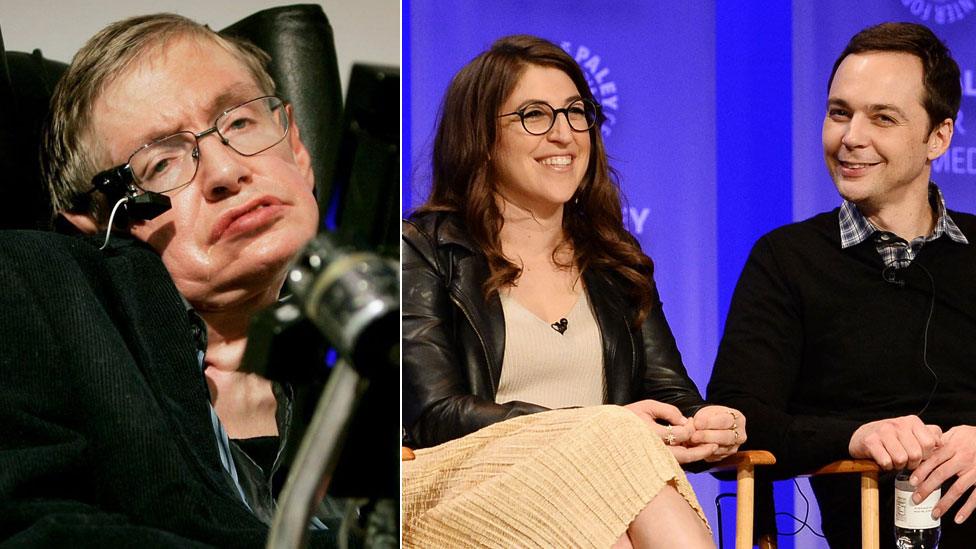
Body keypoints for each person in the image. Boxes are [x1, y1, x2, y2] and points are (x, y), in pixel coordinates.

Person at [0, 13, 346, 547]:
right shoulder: (34, 286)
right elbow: (28, 527)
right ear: (99, 220)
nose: (227, 173)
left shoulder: (385, 328)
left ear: (296, 146)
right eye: (162, 162)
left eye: (239, 122)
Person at [402, 34, 745, 548]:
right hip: (460, 492)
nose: (564, 134)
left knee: (612, 497)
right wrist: (594, 428)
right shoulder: (424, 250)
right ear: (480, 137)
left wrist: (707, 423)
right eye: (534, 115)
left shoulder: (613, 260)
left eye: (575, 113)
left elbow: (669, 393)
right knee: (612, 473)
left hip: (606, 494)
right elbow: (434, 415)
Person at [706, 22, 976, 547]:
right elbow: (736, 425)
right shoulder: (786, 260)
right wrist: (857, 435)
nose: (851, 137)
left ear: (938, 137)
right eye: (839, 113)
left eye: (883, 118)